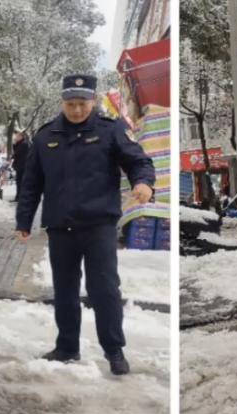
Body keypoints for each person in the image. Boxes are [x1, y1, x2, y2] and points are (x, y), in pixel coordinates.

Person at [16, 74, 156, 377]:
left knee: (104, 289)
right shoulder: (45, 136)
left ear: (92, 102)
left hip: (98, 226)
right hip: (60, 226)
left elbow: (138, 161)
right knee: (64, 290)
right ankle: (67, 346)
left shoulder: (111, 130)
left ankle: (114, 350)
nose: (76, 110)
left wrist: (143, 183)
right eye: (70, 104)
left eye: (82, 103)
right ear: (62, 102)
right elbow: (31, 184)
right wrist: (23, 221)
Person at [11, 130, 29, 199]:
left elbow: (17, 153)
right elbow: (16, 152)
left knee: (20, 182)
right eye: (16, 136)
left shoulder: (24, 144)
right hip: (20, 166)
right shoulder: (20, 143)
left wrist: (15, 144)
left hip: (22, 166)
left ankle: (19, 197)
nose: (16, 137)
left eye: (17, 136)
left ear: (21, 136)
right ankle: (18, 197)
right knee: (19, 182)